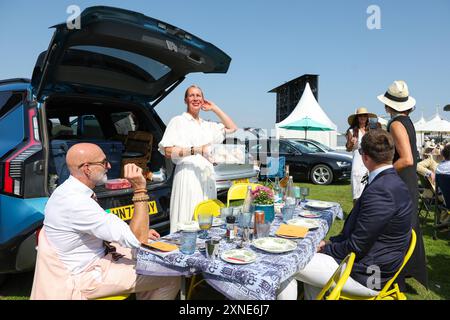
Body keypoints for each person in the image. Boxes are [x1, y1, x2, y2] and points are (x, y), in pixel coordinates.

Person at [31, 143, 180, 300]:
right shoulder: (76, 203)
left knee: (146, 254)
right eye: (103, 162)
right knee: (170, 275)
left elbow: (103, 229)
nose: (109, 166)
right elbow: (139, 240)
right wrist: (140, 189)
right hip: (85, 276)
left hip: (95, 260)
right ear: (87, 168)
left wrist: (139, 232)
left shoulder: (65, 190)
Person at [293, 129, 413, 300]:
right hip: (374, 266)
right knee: (307, 260)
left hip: (370, 276)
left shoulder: (382, 190)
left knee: (290, 267)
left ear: (365, 157)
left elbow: (356, 246)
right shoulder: (391, 181)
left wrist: (326, 247)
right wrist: (328, 244)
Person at [158, 85, 237, 233]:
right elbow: (168, 151)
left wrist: (215, 108)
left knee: (207, 218)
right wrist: (197, 150)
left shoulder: (208, 125)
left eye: (198, 95)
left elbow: (232, 128)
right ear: (185, 100)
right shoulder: (178, 121)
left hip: (207, 177)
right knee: (187, 218)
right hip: (187, 175)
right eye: (192, 95)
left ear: (203, 99)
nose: (195, 98)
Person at [378, 80, 428, 289]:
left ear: (389, 104)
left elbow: (407, 158)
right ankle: (402, 273)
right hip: (406, 182)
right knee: (405, 228)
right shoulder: (406, 121)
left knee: (396, 231)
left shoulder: (396, 123)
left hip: (402, 183)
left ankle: (395, 275)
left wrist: (384, 171)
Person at [345, 107, 377, 202]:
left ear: (367, 117)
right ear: (357, 118)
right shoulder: (352, 131)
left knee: (370, 189)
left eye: (364, 116)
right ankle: (356, 214)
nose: (362, 117)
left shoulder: (371, 130)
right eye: (360, 116)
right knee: (357, 189)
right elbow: (348, 148)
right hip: (358, 161)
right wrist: (351, 142)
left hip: (370, 161)